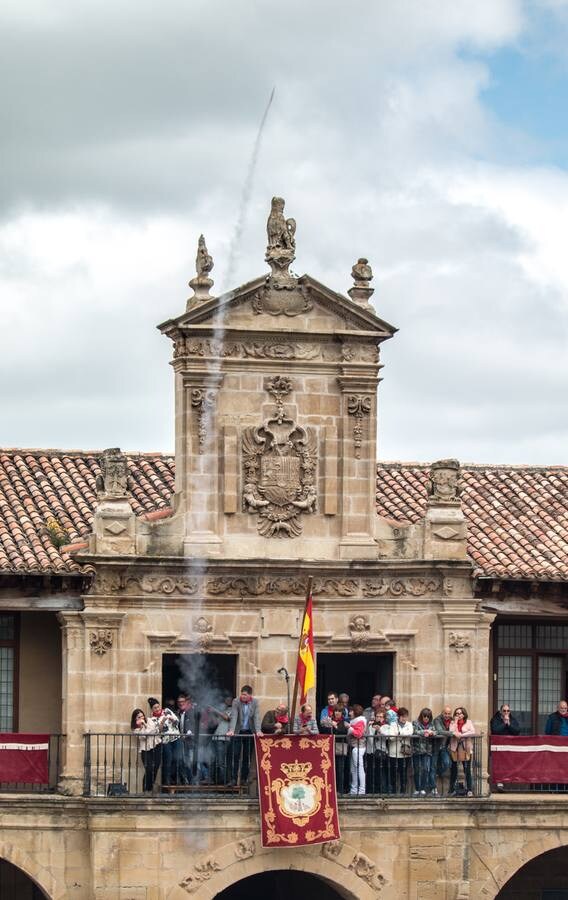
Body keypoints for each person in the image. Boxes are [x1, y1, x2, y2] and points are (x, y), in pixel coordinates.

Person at [227, 685, 262, 786]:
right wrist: (231, 730)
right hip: (238, 731)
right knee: (235, 755)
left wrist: (258, 731)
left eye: (245, 695)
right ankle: (233, 779)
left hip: (249, 731)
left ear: (250, 695)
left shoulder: (255, 702)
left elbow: (256, 717)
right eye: (242, 694)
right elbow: (234, 716)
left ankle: (243, 779)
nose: (243, 696)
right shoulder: (236, 701)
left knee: (246, 757)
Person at [148, 697, 180, 787]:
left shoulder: (167, 710)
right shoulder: (152, 719)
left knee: (177, 758)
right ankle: (167, 780)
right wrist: (162, 722)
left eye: (158, 706)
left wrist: (172, 719)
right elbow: (158, 731)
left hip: (176, 738)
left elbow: (177, 721)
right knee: (168, 760)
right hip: (165, 741)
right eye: (155, 708)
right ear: (152, 709)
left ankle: (177, 779)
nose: (157, 709)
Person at [381, 706, 412, 794]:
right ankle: (394, 791)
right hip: (393, 753)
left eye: (405, 716)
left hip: (405, 753)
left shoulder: (409, 724)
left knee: (403, 774)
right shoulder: (393, 724)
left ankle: (403, 791)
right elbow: (390, 737)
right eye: (402, 716)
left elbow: (410, 732)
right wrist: (401, 735)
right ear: (398, 716)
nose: (403, 718)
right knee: (393, 774)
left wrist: (398, 733)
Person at [131, 708, 161, 793]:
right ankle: (145, 789)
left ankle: (150, 789)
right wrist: (142, 726)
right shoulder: (136, 729)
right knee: (149, 769)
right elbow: (144, 736)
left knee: (155, 768)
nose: (141, 718)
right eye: (139, 717)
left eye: (142, 716)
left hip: (156, 746)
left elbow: (153, 730)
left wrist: (145, 724)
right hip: (145, 750)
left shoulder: (150, 720)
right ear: (135, 719)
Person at [448, 706, 476, 797]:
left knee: (467, 769)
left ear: (464, 714)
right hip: (455, 748)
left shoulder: (468, 722)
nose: (458, 715)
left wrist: (462, 735)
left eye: (460, 713)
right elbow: (451, 731)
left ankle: (469, 790)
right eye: (456, 713)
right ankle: (452, 789)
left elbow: (472, 731)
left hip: (466, 748)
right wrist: (455, 722)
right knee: (454, 769)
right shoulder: (452, 722)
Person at [209, 694, 233, 785]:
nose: (226, 701)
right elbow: (216, 723)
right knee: (213, 760)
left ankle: (223, 782)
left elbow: (227, 718)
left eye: (228, 699)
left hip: (223, 738)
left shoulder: (233, 710)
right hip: (216, 737)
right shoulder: (224, 710)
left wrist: (215, 710)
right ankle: (212, 779)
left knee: (221, 762)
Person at [412, 708, 435, 795]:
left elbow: (435, 731)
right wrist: (424, 731)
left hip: (427, 750)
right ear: (421, 716)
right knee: (417, 770)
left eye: (428, 716)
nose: (426, 718)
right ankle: (417, 788)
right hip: (417, 750)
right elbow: (414, 731)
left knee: (426, 769)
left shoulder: (431, 724)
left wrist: (432, 733)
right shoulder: (415, 723)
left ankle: (422, 788)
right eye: (424, 716)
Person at [176, 693, 197, 785]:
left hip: (191, 741)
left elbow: (193, 725)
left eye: (182, 701)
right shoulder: (178, 713)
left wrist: (188, 733)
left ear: (186, 702)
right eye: (179, 702)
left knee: (192, 762)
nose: (181, 703)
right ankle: (187, 781)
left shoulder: (191, 712)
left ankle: (194, 782)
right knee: (184, 761)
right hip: (182, 742)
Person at [366, 709, 388, 794]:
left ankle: (381, 790)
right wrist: (369, 726)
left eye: (381, 717)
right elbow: (367, 736)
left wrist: (379, 730)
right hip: (371, 752)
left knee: (381, 772)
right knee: (371, 772)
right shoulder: (371, 725)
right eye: (377, 716)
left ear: (384, 718)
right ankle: (371, 790)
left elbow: (387, 738)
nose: (379, 718)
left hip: (381, 752)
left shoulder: (386, 726)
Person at [347, 703, 367, 795]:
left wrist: (350, 729)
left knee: (359, 768)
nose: (349, 713)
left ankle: (362, 790)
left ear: (355, 712)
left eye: (351, 711)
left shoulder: (360, 721)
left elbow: (359, 734)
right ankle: (354, 790)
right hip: (354, 747)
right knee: (353, 769)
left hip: (359, 747)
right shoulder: (355, 721)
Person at [330, 704, 349, 793]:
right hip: (331, 748)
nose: (337, 712)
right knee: (332, 770)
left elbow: (343, 732)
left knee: (340, 769)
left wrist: (335, 726)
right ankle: (333, 789)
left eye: (339, 711)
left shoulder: (344, 723)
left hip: (340, 748)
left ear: (342, 713)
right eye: (336, 711)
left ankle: (340, 790)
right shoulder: (330, 721)